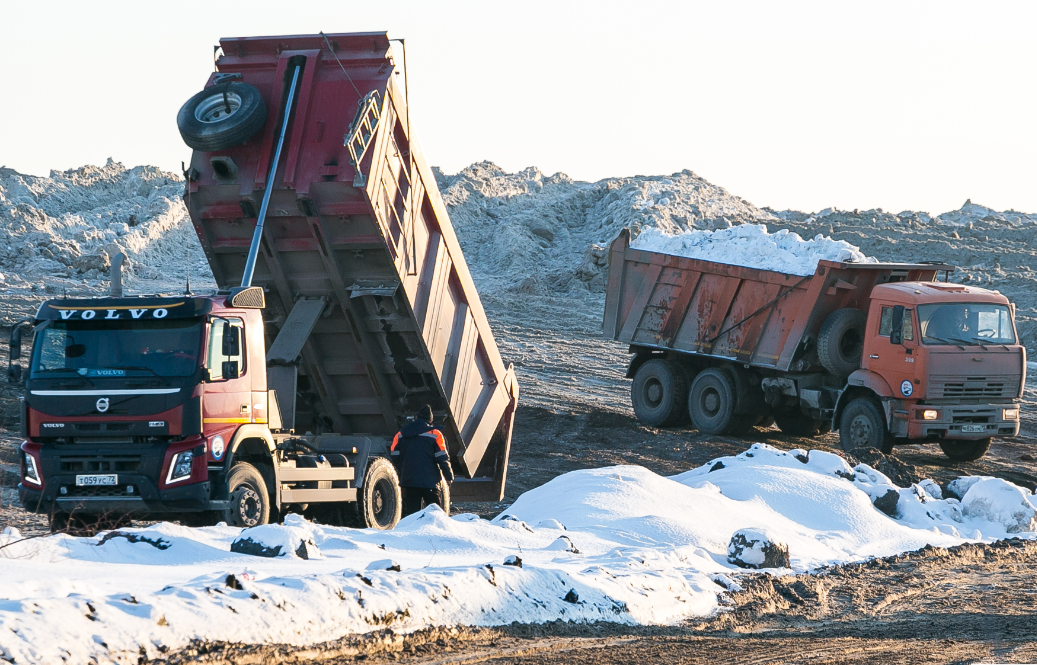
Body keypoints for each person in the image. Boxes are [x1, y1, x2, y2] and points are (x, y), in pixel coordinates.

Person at [390, 405, 453, 516]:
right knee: (435, 515)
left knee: (412, 515)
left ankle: (412, 533)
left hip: (409, 481)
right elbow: (442, 458)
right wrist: (449, 476)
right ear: (430, 420)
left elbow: (394, 455)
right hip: (430, 482)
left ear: (417, 418)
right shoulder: (435, 434)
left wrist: (403, 470)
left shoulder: (401, 434)